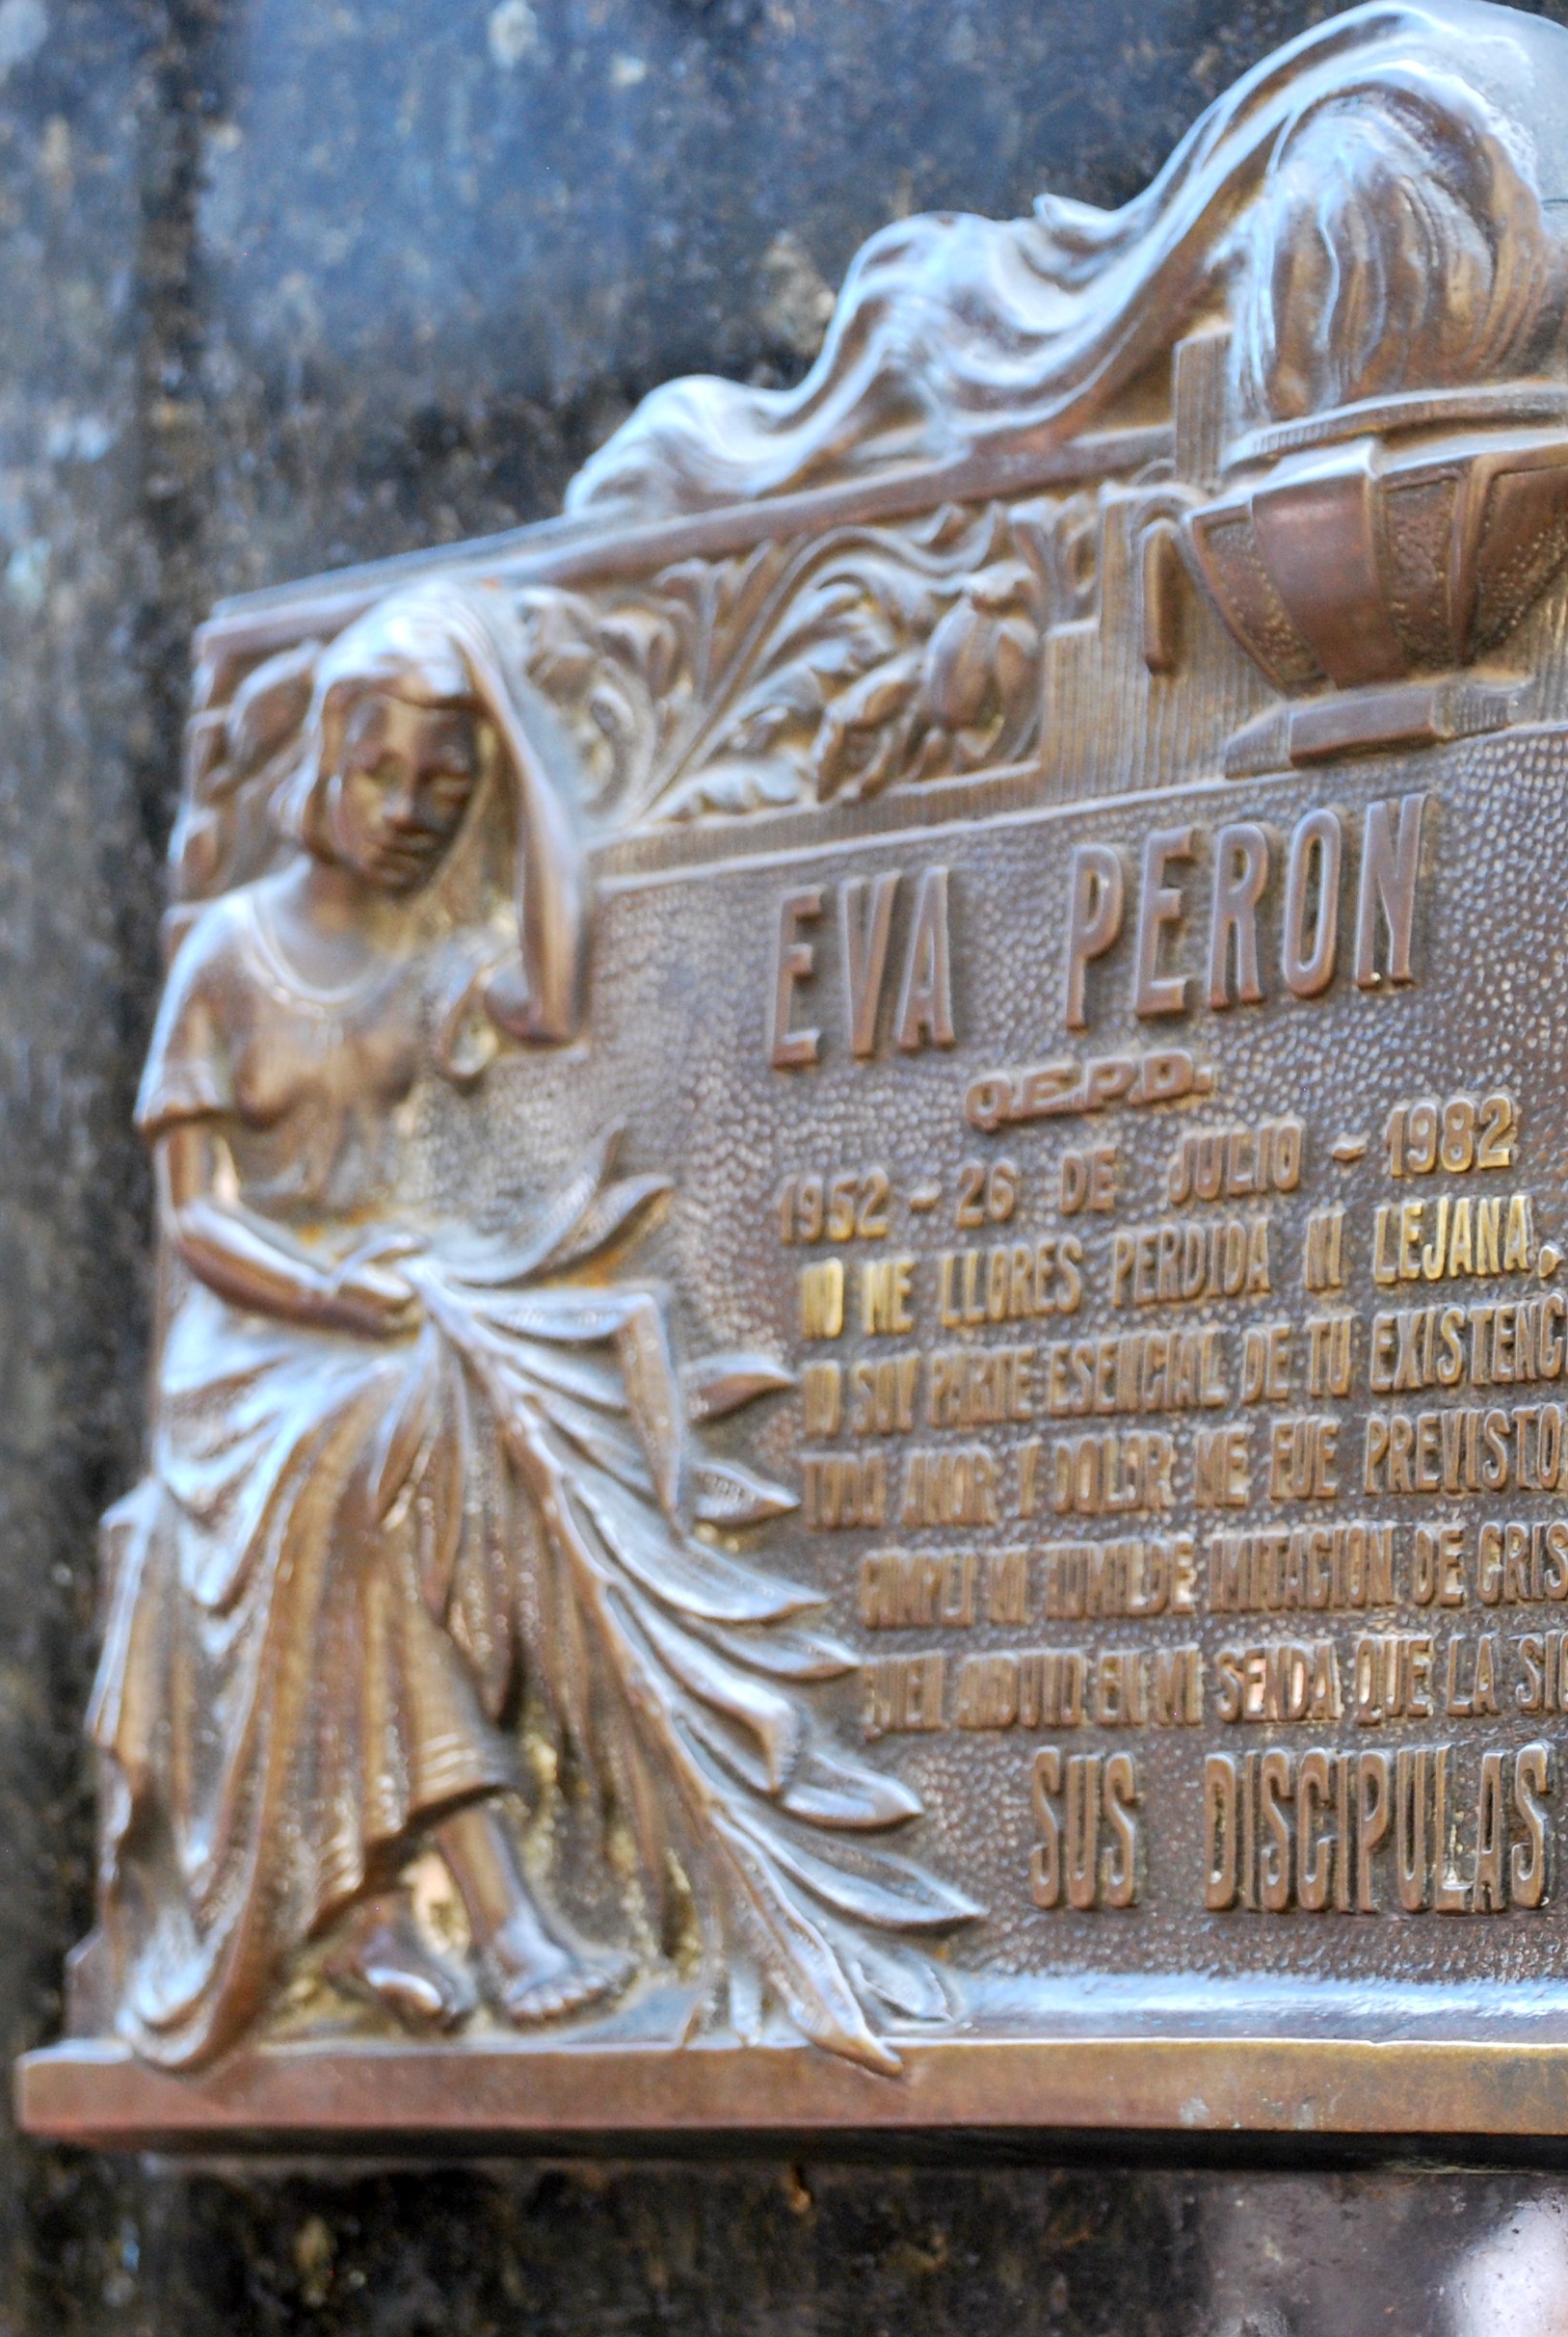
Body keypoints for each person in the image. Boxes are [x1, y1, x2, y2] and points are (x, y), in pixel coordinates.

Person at [82, 580, 972, 2075]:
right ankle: (482, 1909)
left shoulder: (424, 963)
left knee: (396, 1452)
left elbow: (558, 982)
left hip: (394, 1321)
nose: (416, 808)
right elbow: (195, 1218)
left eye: (449, 783)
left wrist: (518, 724)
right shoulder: (230, 955)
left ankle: (402, 1906)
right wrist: (327, 1296)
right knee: (349, 1455)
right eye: (385, 772)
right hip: (254, 1353)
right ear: (320, 768)